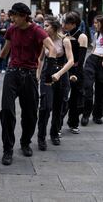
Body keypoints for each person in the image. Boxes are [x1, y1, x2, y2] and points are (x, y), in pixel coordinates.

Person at [0, 3, 56, 165]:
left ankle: (25, 142)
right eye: (11, 16)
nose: (12, 19)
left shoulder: (37, 31)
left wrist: (49, 73)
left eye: (15, 16)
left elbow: (52, 49)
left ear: (24, 16)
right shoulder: (12, 29)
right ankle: (7, 149)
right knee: (7, 111)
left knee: (30, 114)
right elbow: (5, 51)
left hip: (30, 75)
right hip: (12, 73)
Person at [37, 17, 74, 151]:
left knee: (59, 106)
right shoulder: (45, 40)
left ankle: (54, 133)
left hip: (61, 74)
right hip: (47, 73)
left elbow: (70, 61)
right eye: (43, 25)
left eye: (46, 25)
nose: (44, 28)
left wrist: (59, 74)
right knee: (45, 107)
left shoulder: (65, 40)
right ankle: (41, 137)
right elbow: (40, 59)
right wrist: (37, 75)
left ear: (54, 27)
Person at [81, 14, 103, 126]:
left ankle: (97, 115)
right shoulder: (96, 34)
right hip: (92, 60)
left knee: (101, 91)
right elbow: (94, 49)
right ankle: (86, 114)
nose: (94, 25)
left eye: (96, 22)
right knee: (88, 88)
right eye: (94, 22)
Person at [61, 11, 88, 134]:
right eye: (64, 22)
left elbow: (81, 59)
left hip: (76, 70)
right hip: (64, 69)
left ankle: (73, 123)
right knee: (63, 99)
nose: (64, 25)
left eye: (67, 23)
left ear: (73, 24)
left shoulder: (82, 36)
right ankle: (58, 125)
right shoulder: (64, 35)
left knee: (75, 98)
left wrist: (75, 74)